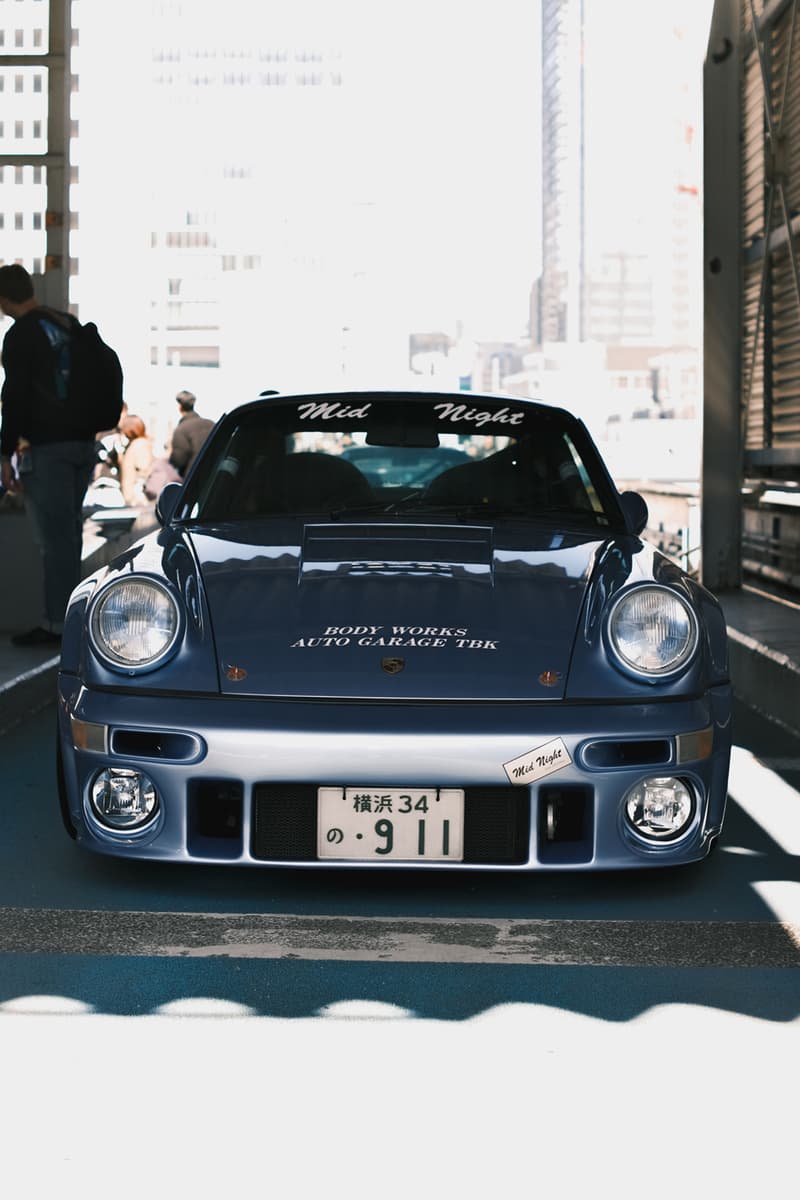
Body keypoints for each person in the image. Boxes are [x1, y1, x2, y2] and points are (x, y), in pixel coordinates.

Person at [0, 264, 101, 647]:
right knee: (69, 535)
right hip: (83, 445)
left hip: (50, 448)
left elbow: (15, 397)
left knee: (56, 539)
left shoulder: (21, 334)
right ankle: (67, 619)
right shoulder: (64, 323)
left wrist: (5, 453)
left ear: (4, 299)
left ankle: (59, 626)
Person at [168, 389, 214, 477]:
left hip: (194, 477)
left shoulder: (182, 429)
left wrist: (171, 459)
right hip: (214, 474)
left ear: (180, 407)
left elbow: (179, 460)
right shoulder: (211, 424)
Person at [117, 413, 154, 506]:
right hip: (132, 493)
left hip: (136, 495)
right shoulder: (134, 443)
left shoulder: (140, 444)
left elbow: (143, 466)